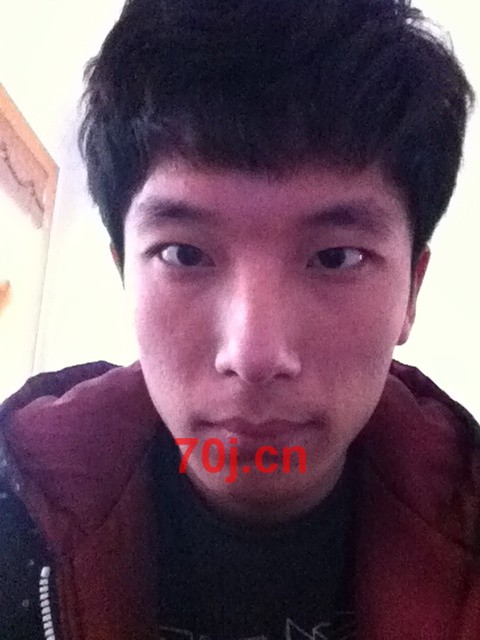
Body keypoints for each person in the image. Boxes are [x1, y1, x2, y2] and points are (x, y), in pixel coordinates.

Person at [0, 0, 478, 638]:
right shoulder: (15, 521)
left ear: (411, 292)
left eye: (336, 257)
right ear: (125, 276)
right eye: (183, 254)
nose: (254, 354)